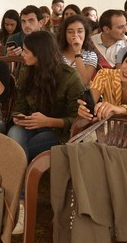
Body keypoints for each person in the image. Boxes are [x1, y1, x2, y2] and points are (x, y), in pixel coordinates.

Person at [8, 31, 84, 162]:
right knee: (14, 134)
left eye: (26, 51)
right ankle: (24, 179)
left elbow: (77, 120)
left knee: (16, 149)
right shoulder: (25, 72)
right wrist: (18, 117)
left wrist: (48, 121)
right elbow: (20, 105)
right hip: (30, 125)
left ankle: (17, 179)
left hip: (58, 131)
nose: (22, 54)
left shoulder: (70, 76)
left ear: (39, 54)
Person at [57, 15, 99, 85]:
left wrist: (77, 52)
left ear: (85, 33)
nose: (75, 35)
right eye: (70, 32)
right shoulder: (57, 53)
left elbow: (84, 81)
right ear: (64, 34)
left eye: (80, 31)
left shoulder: (91, 55)